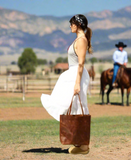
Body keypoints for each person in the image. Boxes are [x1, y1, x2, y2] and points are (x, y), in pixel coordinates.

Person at [41, 14, 92, 154]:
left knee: (78, 107)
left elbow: (81, 63)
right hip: (72, 74)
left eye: (72, 23)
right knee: (72, 106)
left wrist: (77, 83)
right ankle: (80, 142)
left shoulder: (81, 40)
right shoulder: (78, 39)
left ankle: (84, 145)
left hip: (77, 76)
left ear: (78, 24)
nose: (70, 26)